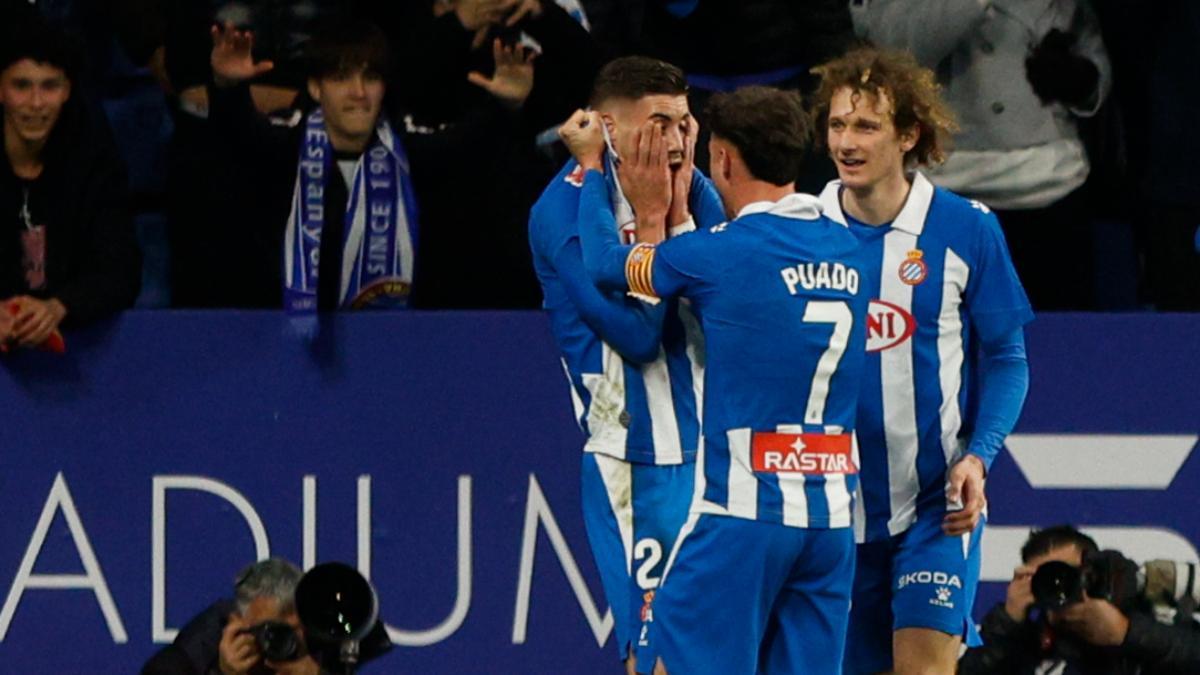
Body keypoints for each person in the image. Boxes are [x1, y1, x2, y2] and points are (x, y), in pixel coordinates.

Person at [561, 84, 871, 674]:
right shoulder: (851, 247)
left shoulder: (719, 254)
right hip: (830, 521)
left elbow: (605, 264)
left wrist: (595, 164)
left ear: (723, 159)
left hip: (742, 516)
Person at [808, 47, 1032, 675]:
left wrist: (977, 457)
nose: (846, 142)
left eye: (866, 126)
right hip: (827, 515)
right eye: (836, 125)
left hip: (937, 506)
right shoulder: (797, 229)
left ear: (909, 135)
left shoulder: (966, 229)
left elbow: (1008, 359)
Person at [527, 55, 723, 674]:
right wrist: (652, 226)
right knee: (659, 655)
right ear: (608, 127)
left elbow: (728, 288)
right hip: (639, 465)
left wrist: (681, 206)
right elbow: (638, 337)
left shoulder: (687, 179)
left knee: (725, 648)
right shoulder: (560, 211)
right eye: (658, 122)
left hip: (717, 450)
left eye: (684, 120)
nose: (675, 139)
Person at [205, 15, 533, 317]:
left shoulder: (409, 151)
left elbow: (468, 147)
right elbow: (241, 135)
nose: (359, 92)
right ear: (315, 88)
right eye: (341, 78)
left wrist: (507, 105)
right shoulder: (285, 146)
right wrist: (227, 89)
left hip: (396, 346)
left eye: (371, 78)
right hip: (286, 343)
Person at [850, 0, 1111, 311]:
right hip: (941, 191)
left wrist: (1083, 80)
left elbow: (1086, 43)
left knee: (1061, 343)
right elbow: (892, 51)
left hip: (1050, 185)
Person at [0, 16, 141, 349]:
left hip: (77, 349)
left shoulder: (93, 162)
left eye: (49, 86)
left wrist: (60, 305)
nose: (36, 103)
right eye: (21, 85)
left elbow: (121, 270)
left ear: (67, 91)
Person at [959, 525, 1200, 674]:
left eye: (1068, 574)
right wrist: (1008, 622)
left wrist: (1127, 633)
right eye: (1047, 579)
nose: (1061, 586)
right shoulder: (1031, 648)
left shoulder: (1150, 611)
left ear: (1094, 572)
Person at [141, 558, 321, 675]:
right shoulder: (182, 664)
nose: (287, 644)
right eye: (274, 633)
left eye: (298, 629)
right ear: (239, 622)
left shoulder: (322, 647)